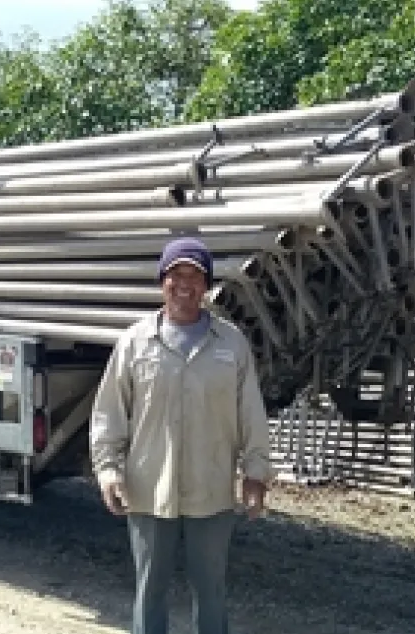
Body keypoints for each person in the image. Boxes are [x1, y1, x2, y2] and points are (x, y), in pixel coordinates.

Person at [88, 236, 274, 634]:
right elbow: (109, 412)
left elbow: (251, 415)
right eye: (176, 274)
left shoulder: (231, 344)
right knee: (150, 590)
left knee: (211, 591)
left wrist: (256, 475)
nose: (184, 283)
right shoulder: (135, 342)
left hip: (212, 492)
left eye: (195, 275)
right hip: (148, 490)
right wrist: (108, 471)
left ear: (207, 286)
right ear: (162, 281)